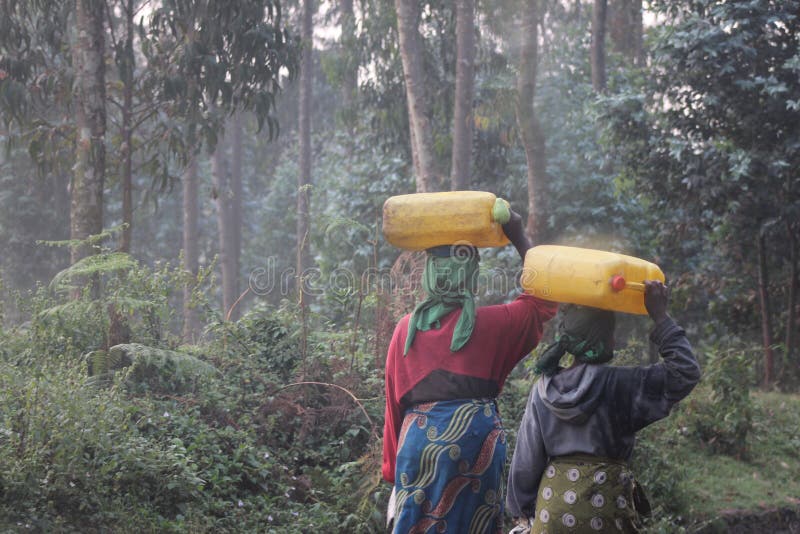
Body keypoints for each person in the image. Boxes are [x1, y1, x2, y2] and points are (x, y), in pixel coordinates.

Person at [382, 210, 557, 534]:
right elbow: (543, 300)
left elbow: (394, 408)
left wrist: (394, 469)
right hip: (478, 445)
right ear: (471, 273)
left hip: (417, 448)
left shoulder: (406, 331)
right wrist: (518, 235)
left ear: (431, 272)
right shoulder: (494, 325)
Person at [505, 281, 702, 534]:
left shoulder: (543, 389)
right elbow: (685, 372)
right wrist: (661, 317)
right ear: (606, 338)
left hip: (552, 510)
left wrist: (522, 512)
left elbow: (526, 460)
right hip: (608, 508)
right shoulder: (622, 385)